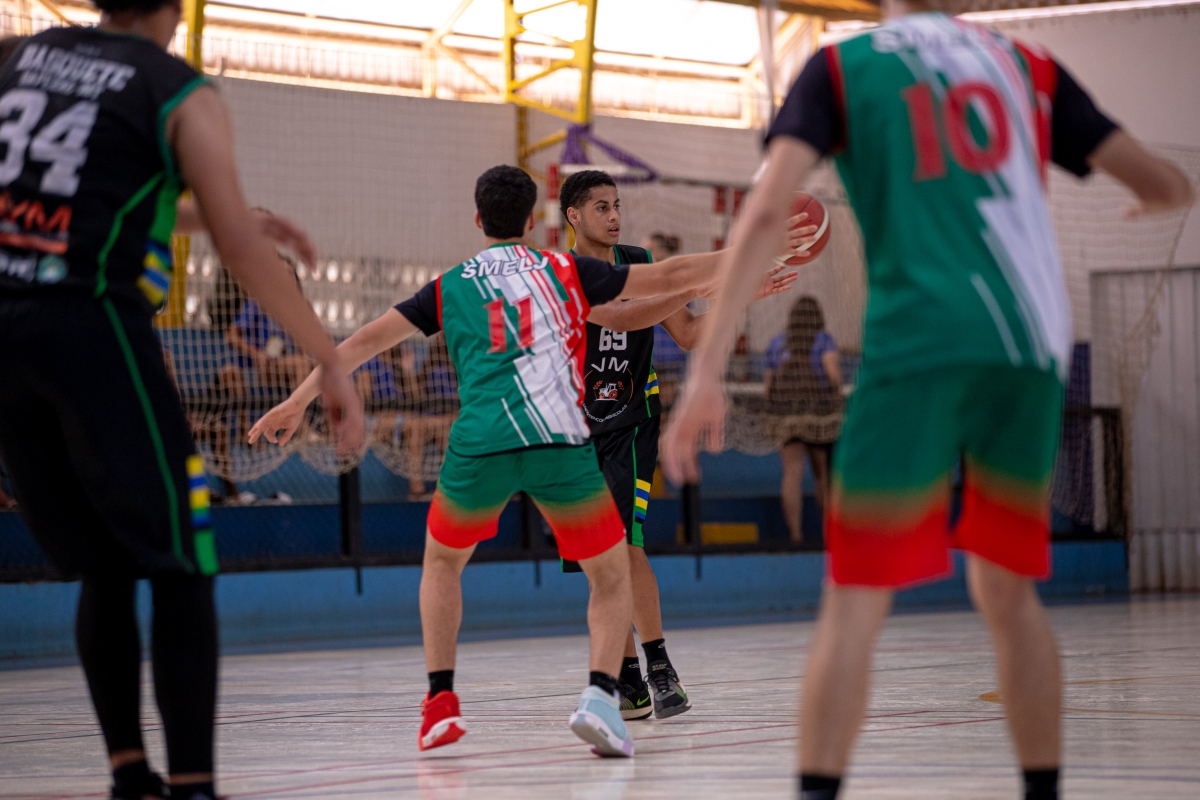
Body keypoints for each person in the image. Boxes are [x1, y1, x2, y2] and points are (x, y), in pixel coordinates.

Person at [661, 3, 1193, 799]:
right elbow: (1164, 182)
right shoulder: (1028, 66)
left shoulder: (843, 67)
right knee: (1006, 590)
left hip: (920, 340)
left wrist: (705, 372)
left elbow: (768, 211)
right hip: (1028, 343)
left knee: (855, 598)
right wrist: (1157, 199)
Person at [0, 4, 364, 800]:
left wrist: (213, 216)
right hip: (91, 323)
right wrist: (330, 359)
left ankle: (130, 776)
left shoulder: (22, 56)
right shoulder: (175, 87)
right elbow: (240, 250)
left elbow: (80, 190)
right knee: (182, 562)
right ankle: (195, 785)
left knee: (103, 565)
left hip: (7, 335)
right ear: (172, 9)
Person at [248, 165, 729, 758]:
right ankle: (603, 698)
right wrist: (748, 254)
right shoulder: (563, 270)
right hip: (557, 443)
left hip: (482, 443)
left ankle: (440, 704)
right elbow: (672, 277)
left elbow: (362, 341)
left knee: (442, 564)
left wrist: (296, 401)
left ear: (478, 219)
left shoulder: (450, 285)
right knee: (611, 574)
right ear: (533, 220)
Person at [557, 168, 806, 721]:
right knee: (600, 563)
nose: (614, 216)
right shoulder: (565, 273)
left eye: (617, 205)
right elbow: (625, 315)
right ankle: (629, 678)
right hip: (575, 429)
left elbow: (690, 334)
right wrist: (698, 285)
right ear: (573, 215)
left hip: (632, 422)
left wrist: (736, 299)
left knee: (627, 547)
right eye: (601, 207)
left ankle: (659, 666)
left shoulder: (641, 262)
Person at [764, 296, 843, 542]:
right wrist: (836, 400)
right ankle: (829, 536)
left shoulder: (777, 344)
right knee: (823, 476)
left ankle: (796, 536)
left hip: (787, 416)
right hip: (818, 417)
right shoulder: (824, 340)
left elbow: (768, 389)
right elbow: (834, 377)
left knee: (792, 474)